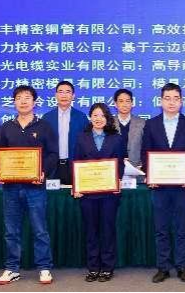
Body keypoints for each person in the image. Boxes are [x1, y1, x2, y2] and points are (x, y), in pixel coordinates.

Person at [0, 85, 58, 285]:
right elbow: (0, 154)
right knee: (11, 231)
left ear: (34, 102)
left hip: (35, 187)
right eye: (19, 97)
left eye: (27, 97)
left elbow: (53, 154)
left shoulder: (44, 126)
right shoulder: (7, 127)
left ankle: (44, 267)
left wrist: (42, 172)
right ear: (14, 102)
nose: (23, 101)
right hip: (11, 188)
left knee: (40, 230)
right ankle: (12, 268)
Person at [142, 83, 185, 283]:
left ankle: (182, 267)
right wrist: (150, 175)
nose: (171, 102)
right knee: (161, 229)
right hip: (159, 186)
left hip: (182, 185)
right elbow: (145, 152)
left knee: (182, 228)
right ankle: (163, 267)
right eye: (167, 98)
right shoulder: (151, 124)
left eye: (176, 98)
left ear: (181, 101)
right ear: (161, 101)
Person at [72, 103, 126, 282]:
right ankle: (93, 267)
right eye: (95, 115)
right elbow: (76, 161)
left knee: (108, 230)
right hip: (88, 193)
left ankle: (107, 267)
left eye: (102, 115)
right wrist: (77, 186)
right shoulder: (82, 138)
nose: (98, 118)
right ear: (90, 117)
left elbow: (120, 164)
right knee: (91, 231)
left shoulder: (116, 138)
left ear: (107, 118)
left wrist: (117, 180)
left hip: (109, 193)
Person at [42, 80, 88, 185]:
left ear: (73, 96)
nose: (64, 95)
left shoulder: (81, 117)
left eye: (68, 92)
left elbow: (86, 144)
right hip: (53, 167)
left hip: (74, 165)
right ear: (56, 95)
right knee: (52, 195)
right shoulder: (47, 118)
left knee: (74, 194)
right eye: (61, 92)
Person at [113, 89, 146, 169]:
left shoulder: (142, 123)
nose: (124, 104)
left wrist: (142, 165)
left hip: (137, 168)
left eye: (127, 101)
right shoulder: (109, 123)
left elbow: (146, 147)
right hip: (115, 168)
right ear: (115, 104)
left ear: (132, 103)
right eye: (121, 101)